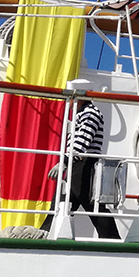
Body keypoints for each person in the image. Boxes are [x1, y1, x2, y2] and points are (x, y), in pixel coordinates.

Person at [41, 98, 120, 239]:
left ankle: (112, 239)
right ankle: (47, 233)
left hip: (84, 164)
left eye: (71, 98)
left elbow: (82, 140)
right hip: (78, 164)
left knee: (91, 204)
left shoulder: (90, 113)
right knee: (63, 202)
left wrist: (64, 162)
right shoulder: (83, 114)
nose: (69, 102)